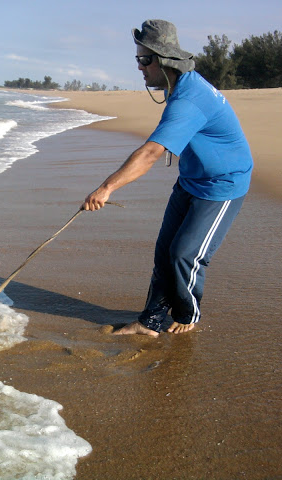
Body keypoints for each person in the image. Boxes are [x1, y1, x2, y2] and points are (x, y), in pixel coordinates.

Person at [82, 19, 253, 337]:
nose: (140, 67)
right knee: (164, 254)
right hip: (192, 179)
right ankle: (149, 322)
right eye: (137, 59)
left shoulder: (188, 100)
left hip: (222, 185)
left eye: (145, 60)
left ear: (165, 60)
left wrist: (106, 188)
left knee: (185, 255)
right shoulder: (179, 89)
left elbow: (150, 153)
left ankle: (188, 316)